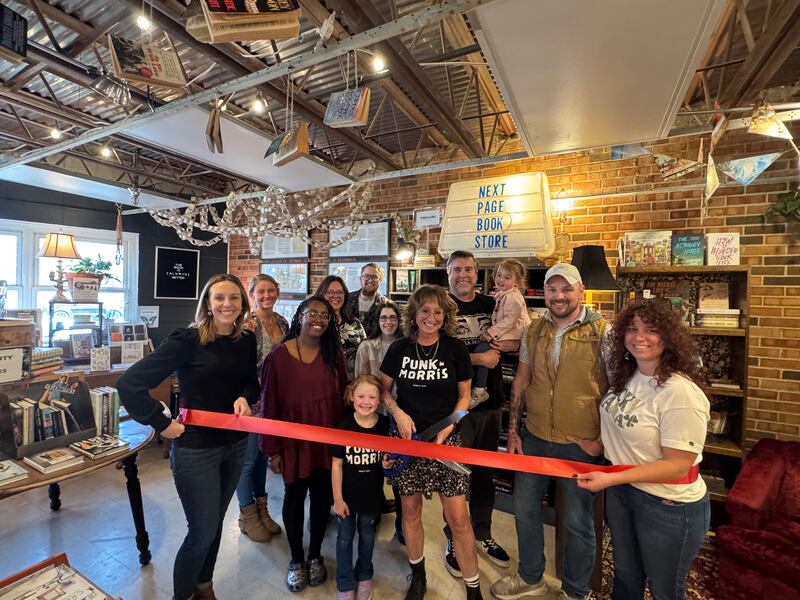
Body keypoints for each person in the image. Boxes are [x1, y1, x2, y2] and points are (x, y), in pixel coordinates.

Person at [117, 274, 257, 600]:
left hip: (235, 444)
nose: (227, 304)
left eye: (234, 298)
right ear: (207, 303)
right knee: (201, 533)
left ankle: (204, 586)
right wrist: (160, 424)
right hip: (197, 451)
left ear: (242, 304)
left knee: (217, 523)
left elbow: (251, 382)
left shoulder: (245, 340)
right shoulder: (188, 340)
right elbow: (129, 384)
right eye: (219, 297)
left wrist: (245, 397)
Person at [573, 299, 710, 600]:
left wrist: (609, 479)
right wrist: (598, 445)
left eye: (651, 330)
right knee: (626, 575)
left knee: (664, 589)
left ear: (668, 336)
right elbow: (625, 424)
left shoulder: (680, 392)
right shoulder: (629, 375)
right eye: (632, 329)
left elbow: (677, 465)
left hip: (667, 505)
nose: (639, 337)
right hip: (625, 493)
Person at [491, 263, 610, 600]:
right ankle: (531, 577)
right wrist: (513, 429)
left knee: (577, 522)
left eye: (566, 289)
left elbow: (616, 390)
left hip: (580, 444)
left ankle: (575, 591)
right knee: (526, 510)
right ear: (543, 292)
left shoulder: (604, 332)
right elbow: (522, 379)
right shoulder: (535, 330)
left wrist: (601, 442)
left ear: (580, 291)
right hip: (535, 436)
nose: (559, 296)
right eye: (552, 289)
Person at [380, 284, 482, 600]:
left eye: (438, 311)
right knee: (410, 512)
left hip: (446, 440)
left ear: (445, 315)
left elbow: (465, 397)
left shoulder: (455, 349)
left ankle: (473, 588)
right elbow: (383, 390)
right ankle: (419, 575)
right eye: (425, 310)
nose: (432, 317)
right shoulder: (398, 349)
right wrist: (397, 412)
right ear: (414, 313)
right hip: (408, 440)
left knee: (459, 519)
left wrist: (449, 426)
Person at [259, 296, 348, 593]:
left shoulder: (335, 355)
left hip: (328, 440)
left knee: (322, 499)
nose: (319, 319)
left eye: (325, 315)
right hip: (293, 443)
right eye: (312, 313)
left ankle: (315, 555)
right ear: (299, 317)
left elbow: (345, 399)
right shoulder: (278, 357)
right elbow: (268, 405)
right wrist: (272, 449)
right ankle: (296, 558)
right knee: (294, 498)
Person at [445, 250, 513, 577]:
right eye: (457, 269)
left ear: (477, 273)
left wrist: (507, 344)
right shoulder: (439, 307)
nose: (463, 274)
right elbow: (434, 353)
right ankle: (454, 539)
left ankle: (483, 534)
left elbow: (516, 337)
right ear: (448, 273)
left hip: (490, 403)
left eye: (469, 269)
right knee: (455, 475)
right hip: (455, 407)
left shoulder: (493, 305)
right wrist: (478, 361)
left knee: (486, 475)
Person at [236, 274, 288, 543]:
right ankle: (247, 515)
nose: (266, 295)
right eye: (261, 291)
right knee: (246, 461)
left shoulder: (282, 322)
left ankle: (262, 509)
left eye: (271, 290)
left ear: (277, 292)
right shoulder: (247, 325)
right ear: (252, 293)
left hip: (273, 402)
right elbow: (240, 367)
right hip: (251, 402)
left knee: (260, 458)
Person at [332, 374, 391, 600]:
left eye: (372, 397)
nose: (366, 401)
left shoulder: (385, 426)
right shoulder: (344, 427)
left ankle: (365, 576)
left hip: (372, 497)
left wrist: (388, 462)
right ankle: (345, 584)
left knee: (367, 537)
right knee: (345, 538)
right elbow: (336, 465)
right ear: (351, 396)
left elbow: (388, 461)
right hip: (346, 497)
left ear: (379, 400)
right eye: (361, 396)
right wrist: (337, 498)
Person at [354, 300, 405, 542]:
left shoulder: (407, 345)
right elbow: (359, 381)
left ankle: (403, 525)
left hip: (399, 415)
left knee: (398, 469)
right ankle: (371, 514)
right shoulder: (367, 346)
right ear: (377, 321)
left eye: (392, 318)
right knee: (372, 469)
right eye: (384, 318)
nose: (388, 322)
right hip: (373, 414)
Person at [471, 258, 531, 406]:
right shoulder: (503, 294)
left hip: (513, 334)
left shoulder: (513, 297)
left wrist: (490, 333)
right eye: (499, 275)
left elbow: (511, 319)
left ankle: (479, 390)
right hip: (508, 334)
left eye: (507, 277)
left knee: (482, 349)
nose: (501, 279)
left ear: (517, 282)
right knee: (482, 351)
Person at [316, 275, 366, 380]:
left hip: (352, 385)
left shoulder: (355, 323)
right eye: (330, 292)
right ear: (321, 295)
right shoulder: (313, 324)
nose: (335, 296)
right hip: (322, 383)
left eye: (339, 292)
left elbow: (365, 355)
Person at [345, 263, 388, 327]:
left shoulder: (385, 304)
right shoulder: (346, 299)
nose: (370, 280)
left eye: (374, 277)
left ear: (380, 280)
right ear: (361, 279)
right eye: (367, 276)